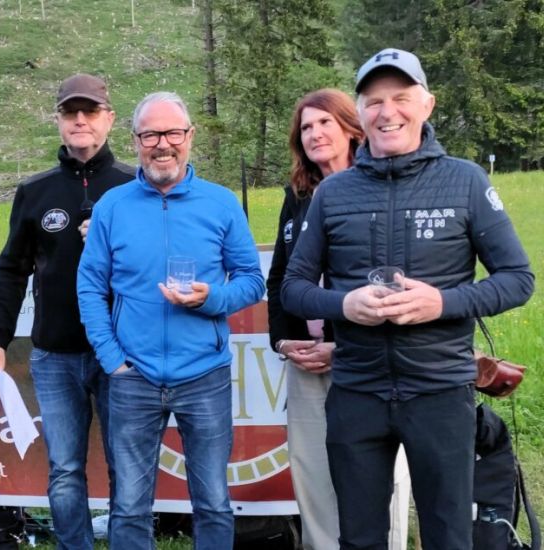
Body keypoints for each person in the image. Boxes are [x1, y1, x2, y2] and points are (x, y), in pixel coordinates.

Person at [281, 49, 534, 549]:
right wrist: (344, 305)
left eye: (401, 97)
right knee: (359, 538)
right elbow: (294, 288)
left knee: (448, 536)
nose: (387, 112)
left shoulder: (464, 180)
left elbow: (518, 278)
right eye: (374, 101)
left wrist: (443, 303)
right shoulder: (334, 193)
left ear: (427, 105)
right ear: (360, 112)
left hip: (439, 392)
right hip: (357, 392)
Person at [77, 91, 265, 550]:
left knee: (213, 502)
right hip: (133, 376)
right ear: (135, 141)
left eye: (173, 133)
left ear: (190, 137)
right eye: (151, 135)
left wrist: (210, 298)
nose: (163, 144)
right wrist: (112, 358)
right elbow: (90, 286)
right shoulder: (112, 206)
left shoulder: (220, 203)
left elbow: (251, 280)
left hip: (204, 374)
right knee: (129, 506)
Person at [0, 73, 134, 549]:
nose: (80, 120)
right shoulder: (35, 191)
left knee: (126, 466)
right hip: (55, 355)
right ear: (58, 120)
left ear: (109, 118)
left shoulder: (134, 185)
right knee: (65, 470)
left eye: (90, 111)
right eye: (70, 112)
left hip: (123, 354)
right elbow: (12, 270)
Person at [267, 89, 411, 549]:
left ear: (351, 128)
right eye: (306, 127)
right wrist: (282, 341)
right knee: (312, 474)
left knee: (375, 478)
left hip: (369, 360)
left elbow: (394, 284)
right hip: (307, 361)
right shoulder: (298, 197)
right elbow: (281, 278)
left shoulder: (380, 190)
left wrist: (342, 345)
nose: (314, 134)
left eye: (324, 123)